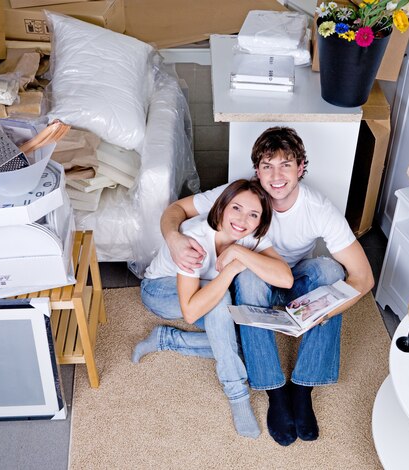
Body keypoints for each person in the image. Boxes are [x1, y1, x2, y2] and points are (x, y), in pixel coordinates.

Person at [161, 126, 374, 446]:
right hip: (253, 281)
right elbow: (177, 210)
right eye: (267, 165)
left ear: (301, 168)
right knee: (247, 273)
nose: (276, 175)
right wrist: (173, 237)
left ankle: (302, 390)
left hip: (291, 279)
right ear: (257, 170)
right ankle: (274, 390)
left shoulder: (318, 208)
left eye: (285, 165)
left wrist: (326, 313)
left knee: (331, 271)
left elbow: (363, 277)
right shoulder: (242, 198)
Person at [132, 179, 293, 439]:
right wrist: (232, 268)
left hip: (201, 287)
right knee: (221, 304)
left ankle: (168, 339)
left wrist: (242, 254)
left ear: (261, 221)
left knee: (245, 342)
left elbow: (285, 279)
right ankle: (237, 394)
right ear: (222, 206)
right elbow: (191, 311)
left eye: (254, 215)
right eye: (236, 208)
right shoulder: (196, 239)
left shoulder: (249, 235)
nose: (243, 219)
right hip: (161, 291)